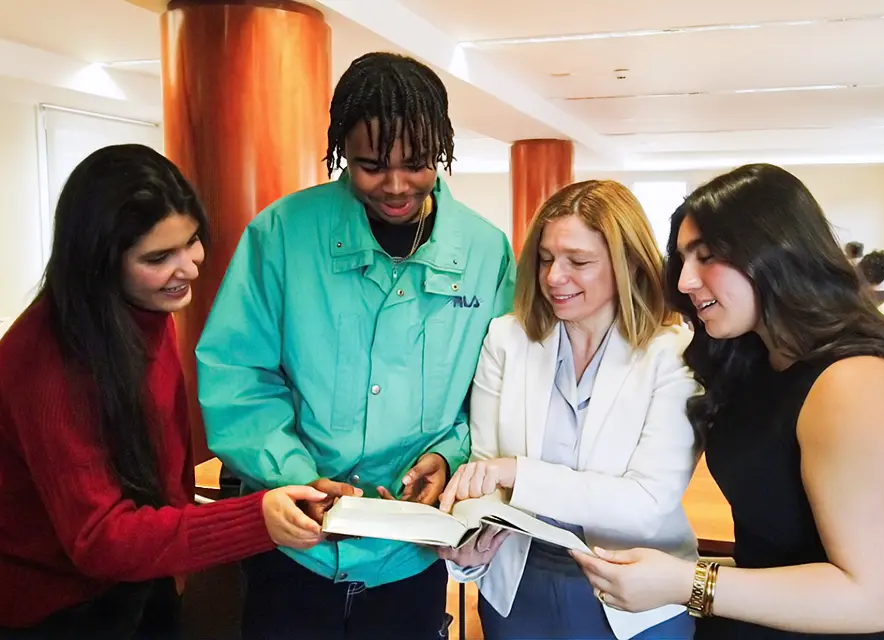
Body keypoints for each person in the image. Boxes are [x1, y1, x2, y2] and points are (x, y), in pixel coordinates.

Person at [195, 52, 515, 639]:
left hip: (411, 551)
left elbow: (494, 393)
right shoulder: (282, 235)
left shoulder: (484, 252)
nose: (395, 186)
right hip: (295, 547)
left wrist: (449, 454)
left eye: (417, 164)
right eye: (370, 166)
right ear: (341, 149)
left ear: (441, 150)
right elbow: (237, 375)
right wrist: (292, 473)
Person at [572, 164, 884, 638]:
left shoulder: (858, 383)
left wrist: (686, 583)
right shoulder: (758, 365)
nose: (685, 282)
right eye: (682, 260)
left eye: (707, 256)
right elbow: (780, 550)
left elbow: (876, 598)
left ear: (778, 253)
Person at [0, 145, 332, 638]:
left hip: (141, 575)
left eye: (192, 241)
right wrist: (254, 519)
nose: (191, 268)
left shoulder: (146, 311)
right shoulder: (44, 361)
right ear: (99, 261)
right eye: (159, 257)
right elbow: (98, 537)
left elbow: (164, 459)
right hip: (56, 607)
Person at [437, 180, 699, 640]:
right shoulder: (506, 339)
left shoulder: (673, 353)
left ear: (628, 265)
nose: (554, 276)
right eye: (545, 259)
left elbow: (647, 504)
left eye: (578, 262)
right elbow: (483, 468)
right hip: (518, 586)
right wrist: (468, 546)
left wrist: (518, 474)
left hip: (635, 595)